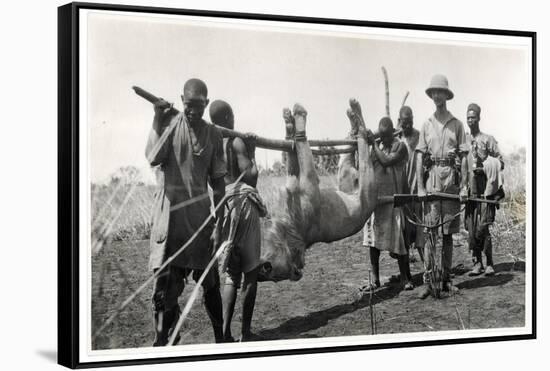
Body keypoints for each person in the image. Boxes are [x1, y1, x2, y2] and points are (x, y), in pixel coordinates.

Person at [145, 78, 226, 345]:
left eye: (200, 106)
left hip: (201, 223)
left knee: (211, 284)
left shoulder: (213, 134)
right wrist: (158, 118)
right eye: (189, 105)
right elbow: (153, 157)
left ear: (207, 102)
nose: (193, 111)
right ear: (181, 100)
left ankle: (221, 339)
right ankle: (161, 342)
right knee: (164, 292)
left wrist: (220, 223)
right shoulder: (168, 125)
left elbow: (218, 183)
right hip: (170, 224)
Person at [209, 100, 267, 342]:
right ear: (229, 117)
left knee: (232, 275)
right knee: (250, 273)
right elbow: (251, 177)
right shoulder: (236, 141)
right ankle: (245, 333)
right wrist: (251, 152)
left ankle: (224, 333)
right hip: (243, 205)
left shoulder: (212, 145)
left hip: (224, 206)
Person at [415, 74, 469, 299]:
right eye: (433, 92)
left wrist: (465, 186)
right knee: (430, 234)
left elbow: (465, 158)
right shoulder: (426, 125)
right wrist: (419, 186)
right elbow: (419, 157)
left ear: (447, 95)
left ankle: (446, 280)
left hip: (450, 185)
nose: (437, 96)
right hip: (432, 182)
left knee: (448, 236)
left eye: (440, 92)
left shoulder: (457, 124)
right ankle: (429, 281)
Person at [367, 117, 413, 291]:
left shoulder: (399, 146)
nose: (384, 139)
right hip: (378, 201)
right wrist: (371, 145)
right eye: (382, 136)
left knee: (398, 241)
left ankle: (404, 278)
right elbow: (370, 163)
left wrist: (373, 143)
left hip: (394, 200)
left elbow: (386, 161)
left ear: (392, 132)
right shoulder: (379, 148)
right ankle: (375, 280)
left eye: (387, 135)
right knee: (373, 243)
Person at [464, 103, 505, 277]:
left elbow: (500, 162)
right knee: (472, 228)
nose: (470, 120)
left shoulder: (488, 139)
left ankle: (489, 263)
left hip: (486, 192)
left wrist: (486, 165)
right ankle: (477, 263)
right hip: (470, 191)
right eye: (468, 118)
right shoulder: (463, 141)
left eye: (473, 117)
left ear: (479, 118)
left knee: (484, 227)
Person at [398, 106, 424, 263]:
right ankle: (406, 273)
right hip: (402, 191)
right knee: (404, 231)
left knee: (421, 228)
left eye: (409, 122)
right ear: (400, 122)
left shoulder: (419, 137)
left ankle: (427, 267)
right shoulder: (396, 139)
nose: (407, 125)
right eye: (404, 123)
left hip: (417, 188)